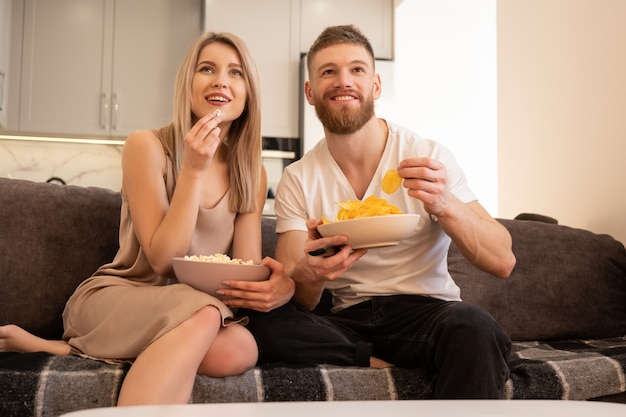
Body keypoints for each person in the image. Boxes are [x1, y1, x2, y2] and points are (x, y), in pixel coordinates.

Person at [0, 31, 295, 405]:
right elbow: (161, 259)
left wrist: (273, 285)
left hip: (195, 310)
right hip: (123, 298)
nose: (221, 79)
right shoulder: (147, 146)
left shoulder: (252, 173)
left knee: (240, 348)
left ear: (248, 93)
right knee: (205, 314)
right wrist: (193, 171)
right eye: (207, 69)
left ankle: (62, 350)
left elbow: (242, 271)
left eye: (236, 73)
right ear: (188, 84)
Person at [267, 24, 516, 398]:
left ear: (377, 86)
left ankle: (366, 358)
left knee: (474, 328)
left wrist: (446, 204)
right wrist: (313, 272)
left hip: (424, 314)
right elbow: (297, 295)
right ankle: (368, 358)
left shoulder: (427, 157)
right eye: (328, 71)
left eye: (357, 70)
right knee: (264, 323)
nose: (343, 81)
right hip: (344, 318)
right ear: (310, 92)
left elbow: (503, 260)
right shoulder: (298, 178)